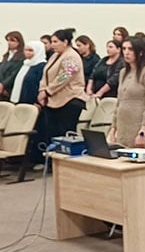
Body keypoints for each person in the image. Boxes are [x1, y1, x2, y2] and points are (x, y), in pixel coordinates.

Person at [36, 29, 87, 163]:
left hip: (70, 99)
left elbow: (65, 76)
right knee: (52, 133)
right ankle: (52, 163)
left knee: (65, 133)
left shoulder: (72, 56)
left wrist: (48, 91)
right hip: (53, 99)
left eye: (55, 42)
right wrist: (42, 90)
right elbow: (45, 74)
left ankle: (67, 163)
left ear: (65, 42)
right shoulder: (55, 55)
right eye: (52, 42)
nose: (52, 45)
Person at [109, 38, 145, 148]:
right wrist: (113, 128)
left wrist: (143, 130)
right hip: (122, 123)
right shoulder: (123, 72)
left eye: (130, 49)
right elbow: (119, 102)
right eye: (124, 49)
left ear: (140, 52)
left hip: (137, 123)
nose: (126, 52)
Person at [8, 40, 46, 105]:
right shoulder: (25, 63)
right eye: (25, 50)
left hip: (32, 102)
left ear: (38, 51)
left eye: (30, 50)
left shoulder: (42, 66)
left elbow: (41, 85)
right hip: (20, 99)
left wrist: (37, 102)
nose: (27, 52)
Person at [0, 30, 25, 100]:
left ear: (19, 42)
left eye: (12, 40)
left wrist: (3, 84)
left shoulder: (22, 57)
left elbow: (14, 74)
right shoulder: (6, 55)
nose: (9, 43)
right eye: (8, 40)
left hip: (9, 88)